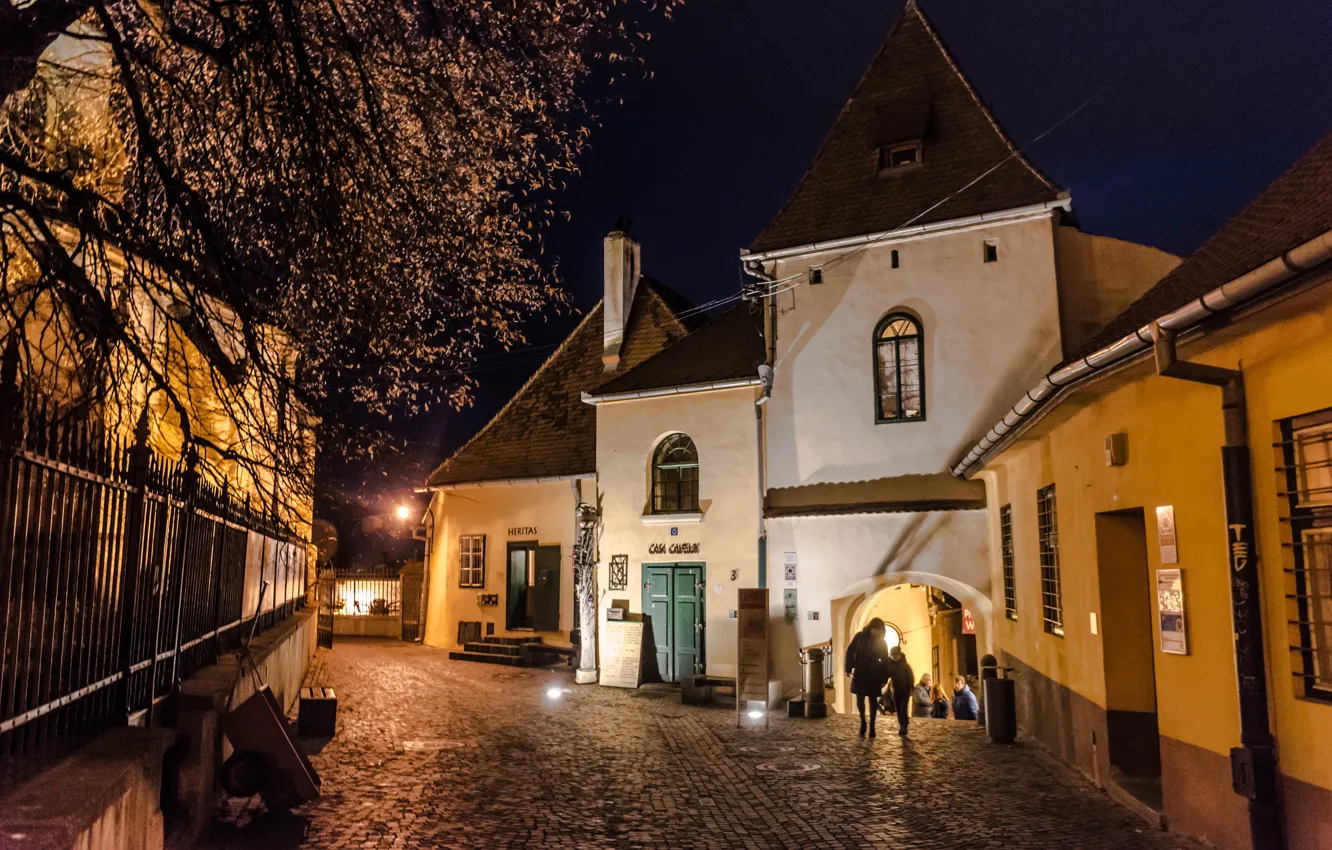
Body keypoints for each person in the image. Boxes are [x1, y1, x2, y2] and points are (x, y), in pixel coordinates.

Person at [845, 618, 892, 737]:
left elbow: (885, 661)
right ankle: (863, 722)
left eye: (879, 630)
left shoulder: (882, 642)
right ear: (871, 628)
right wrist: (848, 667)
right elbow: (851, 651)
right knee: (860, 698)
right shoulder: (860, 637)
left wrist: (884, 678)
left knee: (872, 700)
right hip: (861, 670)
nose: (876, 632)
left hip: (874, 672)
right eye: (876, 629)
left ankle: (872, 725)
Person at [886, 645, 915, 738]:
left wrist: (911, 687)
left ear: (900, 655)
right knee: (898, 708)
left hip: (905, 690)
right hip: (895, 690)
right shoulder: (890, 665)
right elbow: (886, 675)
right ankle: (902, 724)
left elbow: (910, 677)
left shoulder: (905, 666)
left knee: (903, 708)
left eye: (896, 656)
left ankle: (904, 725)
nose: (895, 658)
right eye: (893, 656)